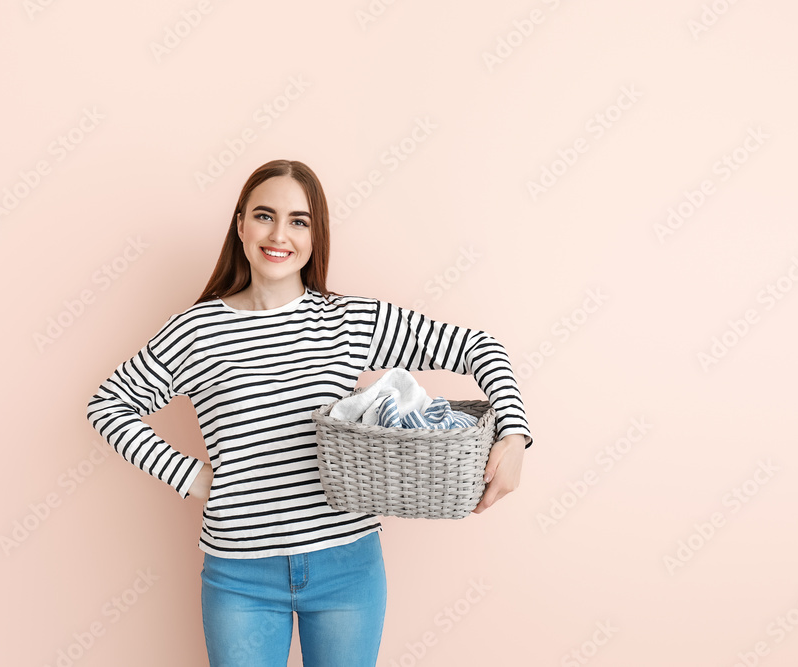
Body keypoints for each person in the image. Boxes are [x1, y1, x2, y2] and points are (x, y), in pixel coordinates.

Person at [86, 159, 534, 666]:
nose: (279, 234)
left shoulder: (350, 321)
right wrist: (193, 478)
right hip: (240, 577)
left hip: (348, 568)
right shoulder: (195, 331)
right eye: (264, 216)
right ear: (240, 224)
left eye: (298, 221)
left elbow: (479, 347)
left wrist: (514, 435)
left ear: (315, 235)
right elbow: (108, 405)